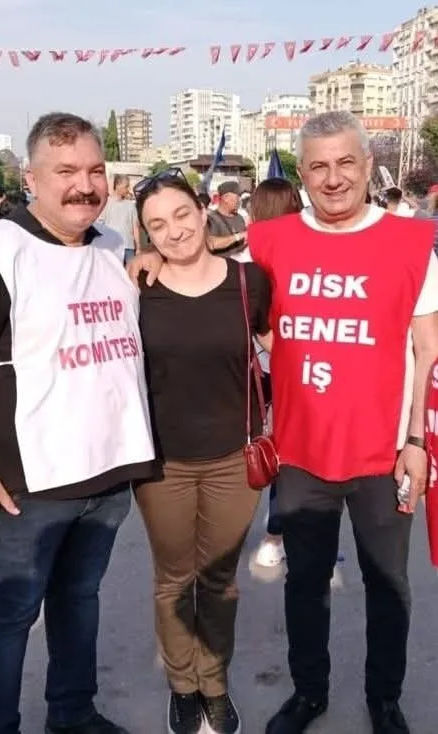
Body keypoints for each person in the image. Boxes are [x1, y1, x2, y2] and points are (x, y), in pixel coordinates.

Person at [0, 112, 155, 734]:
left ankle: (72, 714)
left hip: (109, 475)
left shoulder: (112, 246)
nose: (85, 185)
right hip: (28, 486)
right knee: (9, 613)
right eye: (66, 171)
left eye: (96, 170)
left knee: (79, 601)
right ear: (30, 178)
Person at [247, 111, 438, 734]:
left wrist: (417, 440)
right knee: (304, 585)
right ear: (302, 174)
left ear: (367, 165)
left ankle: (385, 698)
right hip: (301, 453)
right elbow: (210, 283)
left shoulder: (413, 243)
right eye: (319, 166)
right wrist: (146, 261)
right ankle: (309, 693)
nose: (334, 179)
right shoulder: (268, 241)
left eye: (346, 163)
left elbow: (427, 350)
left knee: (389, 586)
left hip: (385, 455)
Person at [133, 169, 271, 734]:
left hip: (233, 460)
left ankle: (214, 683)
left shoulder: (249, 281)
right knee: (173, 582)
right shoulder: (135, 286)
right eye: (157, 225)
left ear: (202, 209)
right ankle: (182, 686)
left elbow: (281, 350)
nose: (174, 231)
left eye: (181, 215)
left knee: (219, 582)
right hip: (160, 464)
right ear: (144, 234)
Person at [248, 178, 303, 569]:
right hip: (293, 367)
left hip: (260, 370)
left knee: (268, 453)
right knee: (291, 455)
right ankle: (276, 534)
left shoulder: (245, 255)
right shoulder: (302, 254)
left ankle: (272, 535)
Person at [98, 174, 140, 265]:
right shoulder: (106, 204)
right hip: (112, 247)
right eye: (126, 186)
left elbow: (135, 227)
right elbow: (100, 226)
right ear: (118, 185)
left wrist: (138, 247)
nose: (128, 189)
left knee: (131, 272)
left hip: (129, 247)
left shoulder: (131, 205)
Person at [207, 181, 246, 255]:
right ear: (225, 198)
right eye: (237, 196)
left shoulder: (239, 218)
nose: (240, 200)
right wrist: (238, 236)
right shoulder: (211, 219)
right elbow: (211, 243)